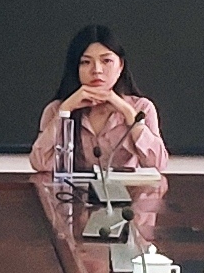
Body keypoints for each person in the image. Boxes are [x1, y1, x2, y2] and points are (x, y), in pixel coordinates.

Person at [28, 23, 171, 176]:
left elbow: (158, 164)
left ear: (120, 66)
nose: (96, 70)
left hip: (126, 191)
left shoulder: (142, 108)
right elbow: (40, 163)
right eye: (86, 62)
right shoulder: (56, 109)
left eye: (106, 61)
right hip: (73, 191)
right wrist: (64, 112)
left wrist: (129, 114)